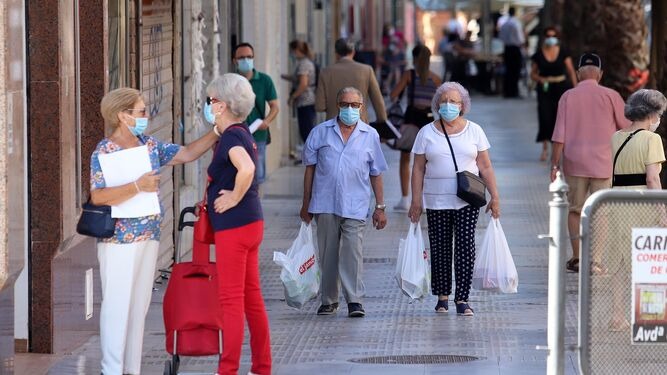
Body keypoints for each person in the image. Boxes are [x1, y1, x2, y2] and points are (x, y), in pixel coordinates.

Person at [90, 87, 219, 375]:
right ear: (122, 116)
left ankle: (131, 369)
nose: (146, 116)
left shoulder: (148, 145)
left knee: (139, 308)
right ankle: (110, 369)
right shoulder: (104, 150)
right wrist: (137, 186)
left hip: (149, 236)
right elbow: (97, 196)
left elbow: (186, 153)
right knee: (117, 305)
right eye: (141, 111)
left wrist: (218, 131)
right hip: (118, 240)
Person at [408, 82, 500, 316]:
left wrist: (495, 196)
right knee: (439, 249)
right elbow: (418, 168)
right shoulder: (426, 132)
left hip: (466, 200)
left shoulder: (474, 130)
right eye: (445, 101)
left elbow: (485, 166)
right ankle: (442, 297)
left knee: (465, 248)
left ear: (462, 106)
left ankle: (463, 298)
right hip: (436, 201)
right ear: (438, 104)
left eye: (454, 101)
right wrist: (415, 200)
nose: (449, 105)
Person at [301, 87, 388, 318]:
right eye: (345, 104)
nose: (350, 109)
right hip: (325, 203)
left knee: (352, 252)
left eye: (355, 105)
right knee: (328, 253)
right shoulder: (320, 133)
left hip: (355, 204)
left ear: (362, 107)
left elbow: (376, 172)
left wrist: (380, 207)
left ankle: (354, 300)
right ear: (338, 105)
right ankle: (329, 300)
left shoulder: (370, 135)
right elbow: (309, 170)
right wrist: (305, 203)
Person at [206, 73, 272, 375]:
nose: (208, 105)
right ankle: (261, 367)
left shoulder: (232, 137)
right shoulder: (242, 131)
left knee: (231, 301)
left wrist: (232, 197)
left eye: (210, 100)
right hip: (251, 223)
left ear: (220, 105)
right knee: (252, 299)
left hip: (234, 226)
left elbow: (246, 168)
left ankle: (228, 369)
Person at [550, 53, 631, 273]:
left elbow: (559, 135)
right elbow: (626, 127)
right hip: (604, 164)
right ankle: (594, 261)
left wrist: (554, 164)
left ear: (578, 73)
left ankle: (577, 258)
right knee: (601, 212)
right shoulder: (611, 95)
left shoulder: (568, 96)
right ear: (600, 74)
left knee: (575, 210)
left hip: (575, 163)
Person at [607, 89, 666, 331]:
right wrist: (662, 210)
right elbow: (652, 179)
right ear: (652, 114)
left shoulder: (616, 136)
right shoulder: (652, 140)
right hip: (642, 205)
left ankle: (617, 316)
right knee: (649, 259)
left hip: (617, 203)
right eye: (660, 114)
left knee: (619, 262)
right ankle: (649, 319)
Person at [389, 45, 441, 210]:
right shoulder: (436, 79)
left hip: (411, 118)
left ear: (415, 58)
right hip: (428, 120)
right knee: (426, 162)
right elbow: (439, 103)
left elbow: (393, 94)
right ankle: (424, 201)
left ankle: (405, 199)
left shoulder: (409, 74)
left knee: (405, 158)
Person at [233, 42, 279, 184]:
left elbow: (275, 106)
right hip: (235, 136)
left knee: (257, 177)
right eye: (241, 58)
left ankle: (255, 205)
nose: (246, 60)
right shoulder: (230, 81)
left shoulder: (265, 80)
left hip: (258, 136)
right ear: (234, 61)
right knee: (236, 176)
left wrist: (266, 121)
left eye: (249, 57)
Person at [530, 27, 577, 161]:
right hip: (544, 88)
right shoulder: (539, 54)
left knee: (560, 117)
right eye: (548, 35)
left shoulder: (563, 52)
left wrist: (576, 89)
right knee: (544, 116)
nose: (551, 38)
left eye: (553, 36)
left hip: (561, 87)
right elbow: (532, 73)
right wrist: (540, 79)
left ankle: (560, 149)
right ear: (545, 37)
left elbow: (571, 71)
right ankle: (545, 148)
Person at [315, 38, 387, 124]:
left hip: (334, 125)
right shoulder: (366, 70)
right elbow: (378, 100)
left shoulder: (325, 72)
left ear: (336, 54)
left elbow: (320, 106)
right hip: (360, 124)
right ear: (353, 52)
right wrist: (382, 120)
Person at [281, 40, 317, 143]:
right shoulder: (305, 62)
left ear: (296, 50)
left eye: (292, 51)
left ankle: (310, 157)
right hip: (307, 101)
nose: (291, 54)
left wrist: (293, 97)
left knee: (306, 130)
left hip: (306, 101)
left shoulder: (304, 64)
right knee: (306, 130)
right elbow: (299, 79)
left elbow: (303, 84)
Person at [498, 7, 525, 98]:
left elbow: (501, 37)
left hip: (507, 49)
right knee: (515, 71)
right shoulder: (515, 23)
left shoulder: (504, 24)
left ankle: (507, 92)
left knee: (508, 71)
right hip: (515, 49)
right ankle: (514, 92)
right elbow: (520, 39)